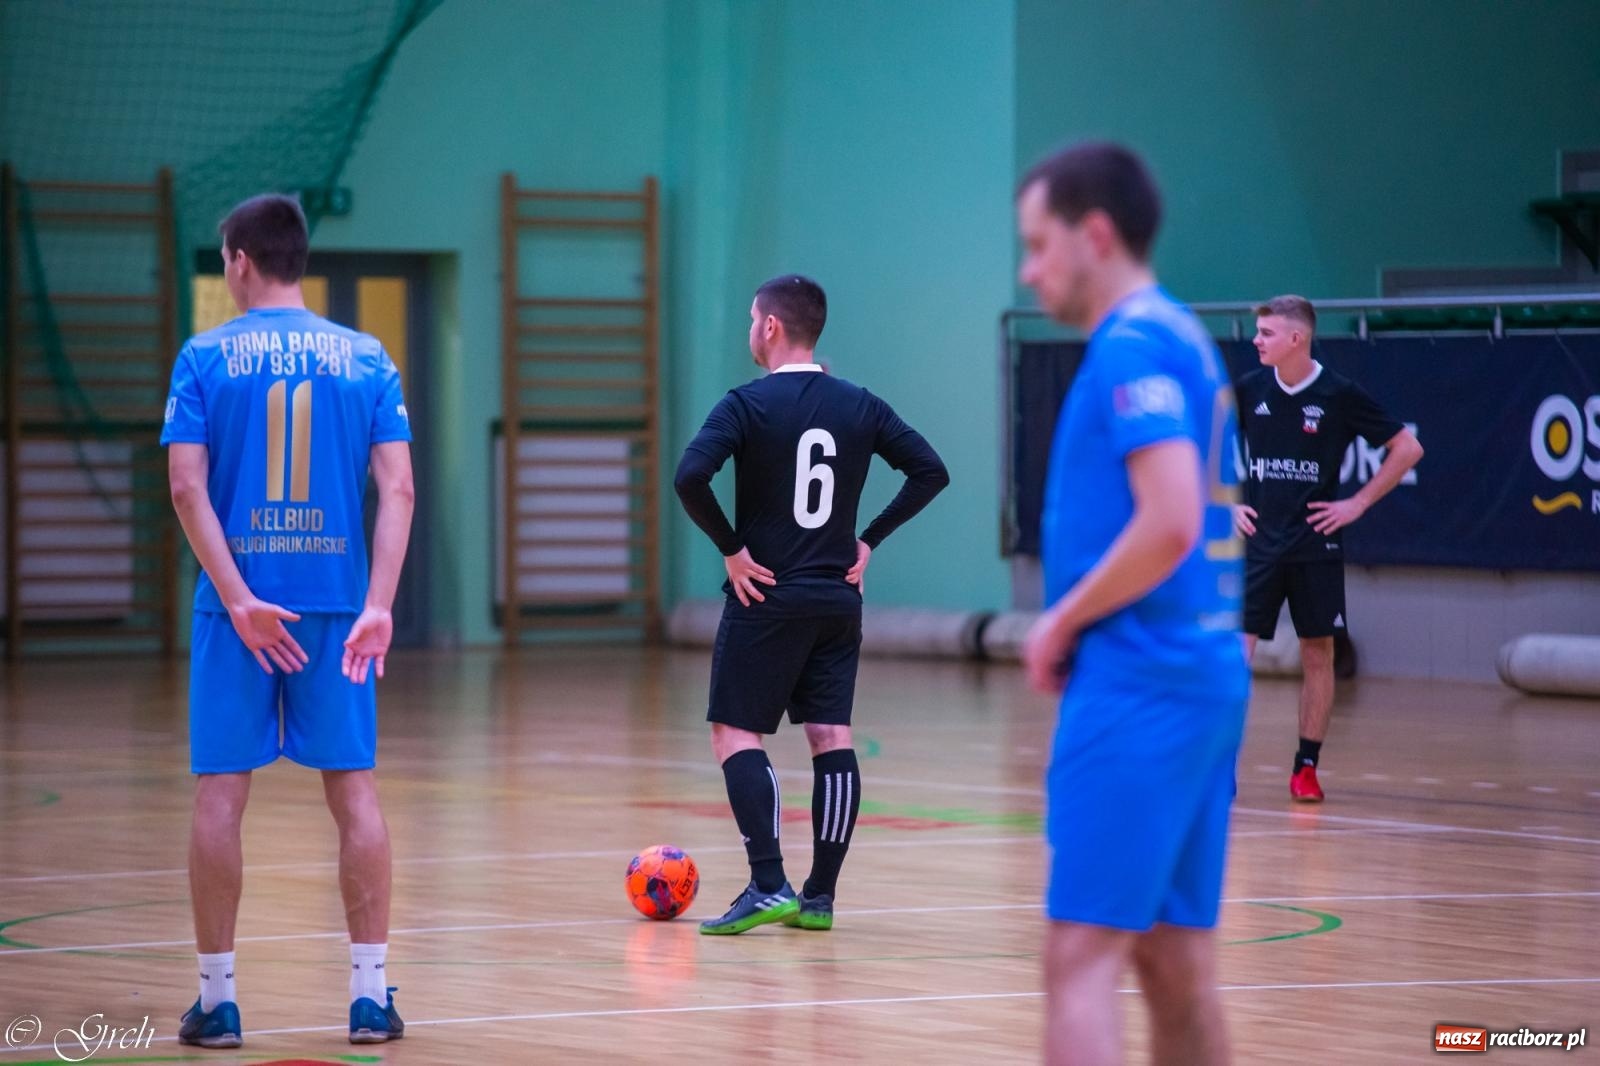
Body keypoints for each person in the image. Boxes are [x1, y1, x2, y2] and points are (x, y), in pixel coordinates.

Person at [162, 194, 414, 1047]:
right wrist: (378, 604)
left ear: (239, 260)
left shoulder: (203, 356)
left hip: (236, 611)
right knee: (354, 791)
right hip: (336, 606)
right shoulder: (367, 357)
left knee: (221, 793)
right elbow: (399, 489)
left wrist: (238, 598)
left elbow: (186, 488)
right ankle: (369, 997)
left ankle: (218, 1002)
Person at [1016, 142, 1248, 1066]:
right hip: (1203, 676)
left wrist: (1063, 616)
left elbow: (1171, 520)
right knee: (1175, 963)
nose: (1030, 270)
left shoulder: (1131, 345)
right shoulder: (1184, 335)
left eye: (1039, 245)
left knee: (1078, 960)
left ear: (1096, 235)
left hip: (1140, 679)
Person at [674, 275, 948, 936]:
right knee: (830, 736)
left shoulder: (746, 404)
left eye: (752, 318)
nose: (750, 329)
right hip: (837, 598)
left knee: (735, 733)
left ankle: (769, 883)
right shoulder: (860, 404)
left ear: (770, 327)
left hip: (766, 595)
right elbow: (930, 471)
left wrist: (732, 549)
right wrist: (868, 541)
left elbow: (689, 477)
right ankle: (819, 896)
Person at [1234, 295, 1423, 802]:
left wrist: (1357, 503)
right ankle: (1217, 766)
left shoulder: (1339, 394)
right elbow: (1199, 440)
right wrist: (1221, 504)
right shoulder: (1249, 389)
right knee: (1234, 654)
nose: (1256, 341)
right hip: (1259, 546)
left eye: (1266, 333)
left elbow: (1407, 448)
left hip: (1315, 547)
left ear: (1296, 338)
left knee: (1318, 653)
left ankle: (1306, 768)